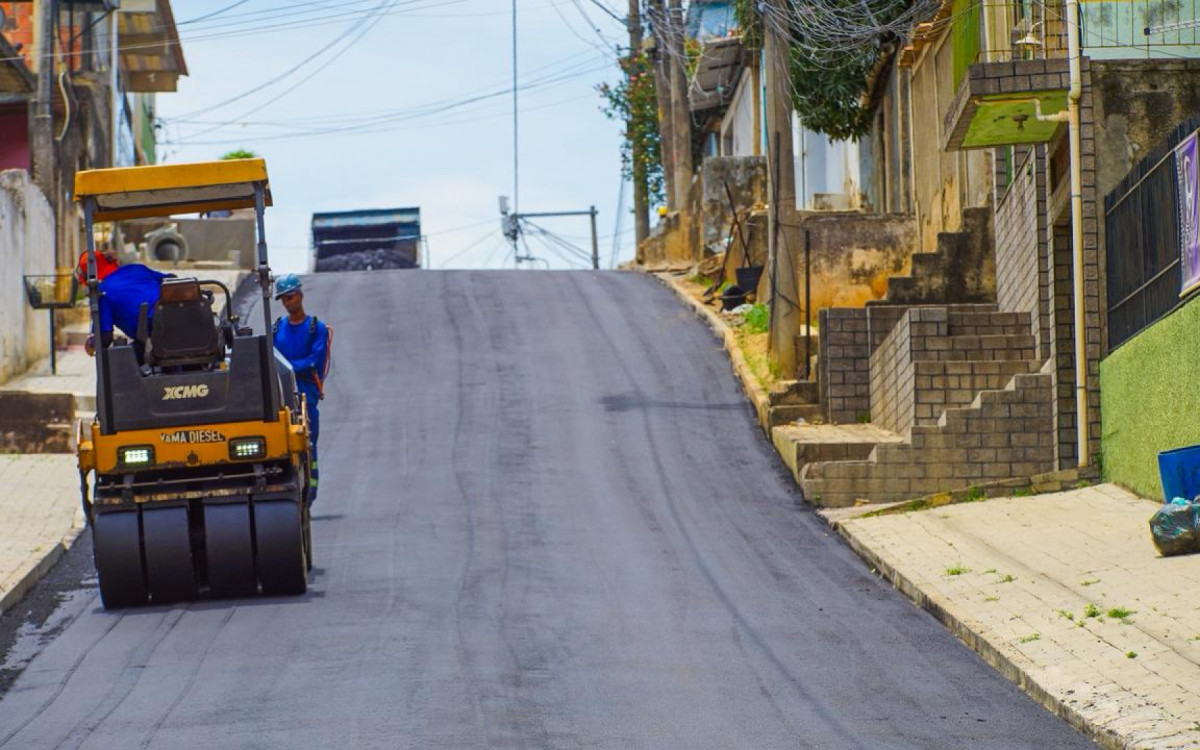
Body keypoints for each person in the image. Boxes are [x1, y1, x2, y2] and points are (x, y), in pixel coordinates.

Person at [272, 274, 330, 506]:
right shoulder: (277, 329)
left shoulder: (316, 329)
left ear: (300, 295)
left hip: (307, 398)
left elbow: (314, 362)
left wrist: (287, 367)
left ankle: (310, 495)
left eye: (291, 297)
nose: (288, 302)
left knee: (309, 447)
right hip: (282, 400)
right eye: (284, 299)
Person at [78, 250, 172, 358]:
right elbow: (171, 279)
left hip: (153, 341)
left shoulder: (101, 294)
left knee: (121, 359)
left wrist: (91, 343)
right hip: (180, 323)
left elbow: (104, 337)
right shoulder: (137, 269)